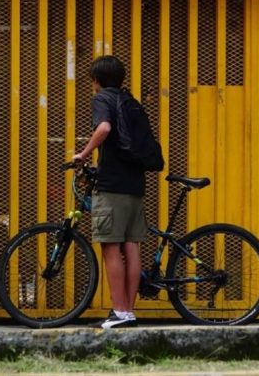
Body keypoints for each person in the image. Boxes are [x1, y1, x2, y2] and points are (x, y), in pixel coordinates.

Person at [72, 55, 146, 329]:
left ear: (96, 80)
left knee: (111, 246)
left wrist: (84, 154)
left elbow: (104, 127)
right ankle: (129, 312)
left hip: (112, 184)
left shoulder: (103, 99)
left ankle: (119, 311)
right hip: (135, 183)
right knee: (132, 245)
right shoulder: (131, 101)